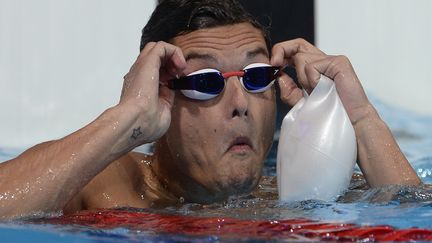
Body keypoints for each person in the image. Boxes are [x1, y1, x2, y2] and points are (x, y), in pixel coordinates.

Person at [0, 0, 421, 219]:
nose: (241, 107)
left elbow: (412, 213)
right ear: (161, 95)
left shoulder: (293, 190)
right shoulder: (111, 185)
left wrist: (361, 117)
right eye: (205, 83)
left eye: (256, 78)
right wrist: (125, 118)